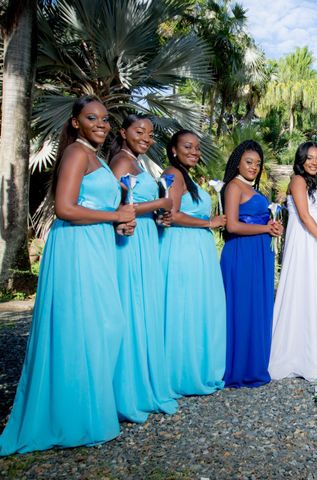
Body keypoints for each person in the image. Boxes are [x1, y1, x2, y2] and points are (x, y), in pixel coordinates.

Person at [0, 97, 135, 455]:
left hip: (95, 245)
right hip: (76, 248)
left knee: (103, 324)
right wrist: (115, 217)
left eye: (105, 119)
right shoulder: (76, 153)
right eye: (92, 118)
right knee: (85, 326)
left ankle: (85, 408)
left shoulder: (97, 157)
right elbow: (64, 208)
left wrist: (118, 223)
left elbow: (99, 207)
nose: (101, 124)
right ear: (75, 122)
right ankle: (73, 418)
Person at [109, 114, 178, 421]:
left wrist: (159, 217)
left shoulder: (138, 163)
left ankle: (143, 382)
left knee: (144, 309)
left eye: (150, 135)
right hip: (130, 243)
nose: (147, 139)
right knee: (132, 309)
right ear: (123, 132)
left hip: (146, 237)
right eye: (140, 132)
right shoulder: (122, 163)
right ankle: (127, 389)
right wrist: (160, 206)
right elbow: (118, 207)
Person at [269, 141, 317, 381]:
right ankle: (300, 357)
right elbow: (304, 216)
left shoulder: (316, 183)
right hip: (307, 245)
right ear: (301, 159)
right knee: (306, 291)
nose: (314, 162)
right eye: (309, 157)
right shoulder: (298, 180)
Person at [159, 130, 227, 396]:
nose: (194, 152)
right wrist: (209, 222)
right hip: (182, 247)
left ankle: (195, 366)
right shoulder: (173, 174)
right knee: (183, 307)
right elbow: (171, 214)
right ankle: (180, 373)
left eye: (197, 147)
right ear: (174, 149)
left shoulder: (185, 176)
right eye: (188, 146)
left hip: (197, 247)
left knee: (196, 307)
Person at [220, 140, 283, 388]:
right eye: (249, 162)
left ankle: (257, 361)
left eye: (258, 164)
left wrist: (275, 227)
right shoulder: (233, 187)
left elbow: (263, 221)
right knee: (242, 307)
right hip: (242, 253)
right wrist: (264, 227)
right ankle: (241, 367)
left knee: (257, 306)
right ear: (238, 162)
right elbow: (232, 225)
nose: (254, 167)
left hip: (259, 253)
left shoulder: (254, 190)